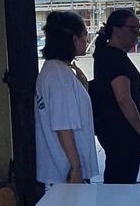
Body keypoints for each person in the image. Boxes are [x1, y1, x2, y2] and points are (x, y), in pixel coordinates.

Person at [34, 11, 99, 186]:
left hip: (61, 170)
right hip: (65, 173)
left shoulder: (55, 70)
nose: (86, 40)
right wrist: (76, 168)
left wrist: (82, 87)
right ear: (74, 39)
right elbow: (62, 126)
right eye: (84, 35)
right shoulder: (59, 76)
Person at [89, 8, 140, 183]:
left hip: (112, 131)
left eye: (138, 29)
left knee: (116, 181)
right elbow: (123, 99)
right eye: (133, 29)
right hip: (123, 134)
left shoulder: (104, 53)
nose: (137, 35)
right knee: (122, 183)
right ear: (116, 30)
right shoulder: (115, 58)